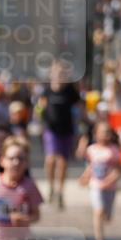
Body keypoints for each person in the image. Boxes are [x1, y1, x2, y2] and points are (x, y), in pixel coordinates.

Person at [0, 137, 42, 240]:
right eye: (11, 158)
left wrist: (26, 219)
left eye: (21, 158)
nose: (16, 162)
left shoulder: (30, 186)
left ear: (27, 162)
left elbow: (37, 215)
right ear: (2, 160)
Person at [39, 63, 82, 209]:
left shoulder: (70, 90)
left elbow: (79, 107)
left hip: (67, 129)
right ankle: (50, 186)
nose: (59, 76)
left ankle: (60, 191)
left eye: (62, 73)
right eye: (57, 73)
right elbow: (41, 108)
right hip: (51, 129)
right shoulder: (46, 90)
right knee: (51, 159)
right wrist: (40, 118)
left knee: (63, 161)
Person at [78, 119, 121, 240]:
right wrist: (85, 177)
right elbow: (91, 167)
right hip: (96, 186)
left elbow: (119, 170)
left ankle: (106, 218)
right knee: (98, 211)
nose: (105, 135)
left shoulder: (113, 151)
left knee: (107, 216)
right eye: (102, 132)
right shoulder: (92, 150)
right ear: (96, 134)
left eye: (108, 132)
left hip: (110, 187)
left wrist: (109, 181)